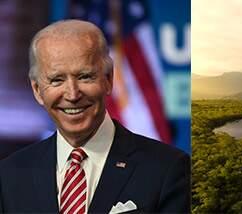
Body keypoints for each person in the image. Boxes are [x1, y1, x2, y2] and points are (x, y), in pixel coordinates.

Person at [0, 20, 190, 213]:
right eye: (57, 80)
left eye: (84, 77)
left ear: (108, 80)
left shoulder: (167, 169)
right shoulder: (9, 175)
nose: (72, 95)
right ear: (37, 91)